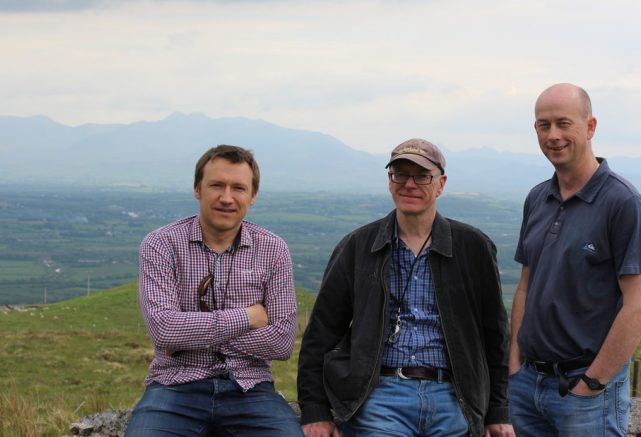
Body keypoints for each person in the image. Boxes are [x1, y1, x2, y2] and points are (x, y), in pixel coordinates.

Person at [297, 138, 515, 437]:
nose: (409, 184)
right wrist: (315, 411)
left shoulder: (472, 247)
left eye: (422, 176)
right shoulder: (359, 246)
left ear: (441, 184)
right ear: (390, 182)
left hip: (455, 398)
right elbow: (321, 333)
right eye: (400, 175)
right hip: (379, 398)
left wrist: (498, 411)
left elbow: (495, 335)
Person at [508, 83, 641, 437]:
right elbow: (526, 286)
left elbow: (639, 308)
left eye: (564, 123)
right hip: (528, 385)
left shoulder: (623, 203)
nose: (553, 135)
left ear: (590, 127)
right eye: (544, 125)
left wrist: (591, 384)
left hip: (585, 390)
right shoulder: (537, 198)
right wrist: (514, 364)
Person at [125, 145, 302, 436]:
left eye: (238, 188)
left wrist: (190, 335)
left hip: (250, 387)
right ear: (198, 189)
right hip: (174, 384)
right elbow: (164, 330)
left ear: (253, 195)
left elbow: (281, 342)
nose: (227, 197)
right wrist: (248, 317)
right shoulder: (161, 244)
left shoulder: (273, 249)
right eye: (217, 185)